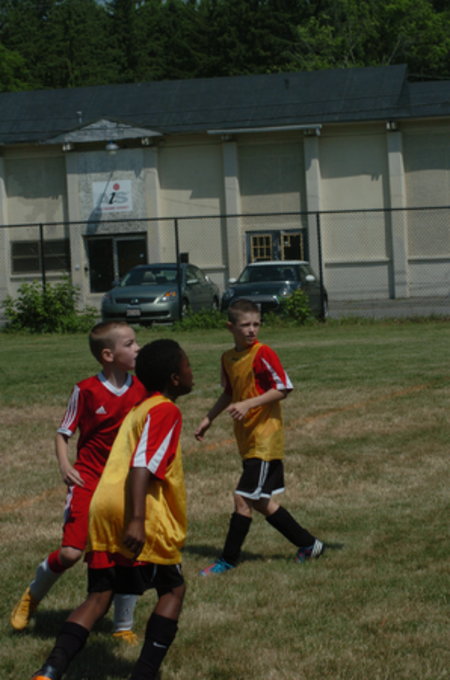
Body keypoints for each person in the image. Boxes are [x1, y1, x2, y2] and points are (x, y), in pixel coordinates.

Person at [31, 338, 193, 680]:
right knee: (173, 589)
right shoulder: (166, 411)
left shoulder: (138, 408)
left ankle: (49, 671)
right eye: (187, 365)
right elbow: (142, 466)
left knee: (99, 595)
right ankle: (144, 674)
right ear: (175, 378)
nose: (192, 371)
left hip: (103, 507)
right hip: (136, 510)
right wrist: (136, 520)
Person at [11, 321, 147, 643]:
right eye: (130, 344)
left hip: (124, 483)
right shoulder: (85, 390)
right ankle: (32, 596)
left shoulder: (142, 389)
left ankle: (123, 626)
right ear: (108, 355)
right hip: (88, 479)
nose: (137, 348)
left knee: (128, 550)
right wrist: (65, 466)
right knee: (71, 553)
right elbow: (63, 433)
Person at [195, 298, 324, 575]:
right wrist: (209, 418)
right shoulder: (228, 358)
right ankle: (309, 544)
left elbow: (283, 388)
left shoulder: (263, 352)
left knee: (242, 498)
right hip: (247, 438)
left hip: (265, 438)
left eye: (256, 324)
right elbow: (229, 392)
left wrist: (248, 404)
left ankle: (228, 560)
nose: (252, 330)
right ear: (230, 327)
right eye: (245, 325)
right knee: (261, 501)